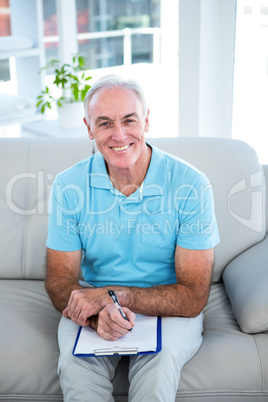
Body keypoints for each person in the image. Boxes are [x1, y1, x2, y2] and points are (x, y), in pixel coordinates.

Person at [45, 74, 220, 402]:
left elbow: (193, 296)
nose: (119, 134)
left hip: (168, 308)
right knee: (75, 370)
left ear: (147, 121)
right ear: (88, 129)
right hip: (98, 303)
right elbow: (59, 280)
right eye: (105, 123)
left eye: (129, 120)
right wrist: (98, 315)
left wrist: (115, 297)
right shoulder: (69, 186)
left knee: (158, 374)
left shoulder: (192, 185)